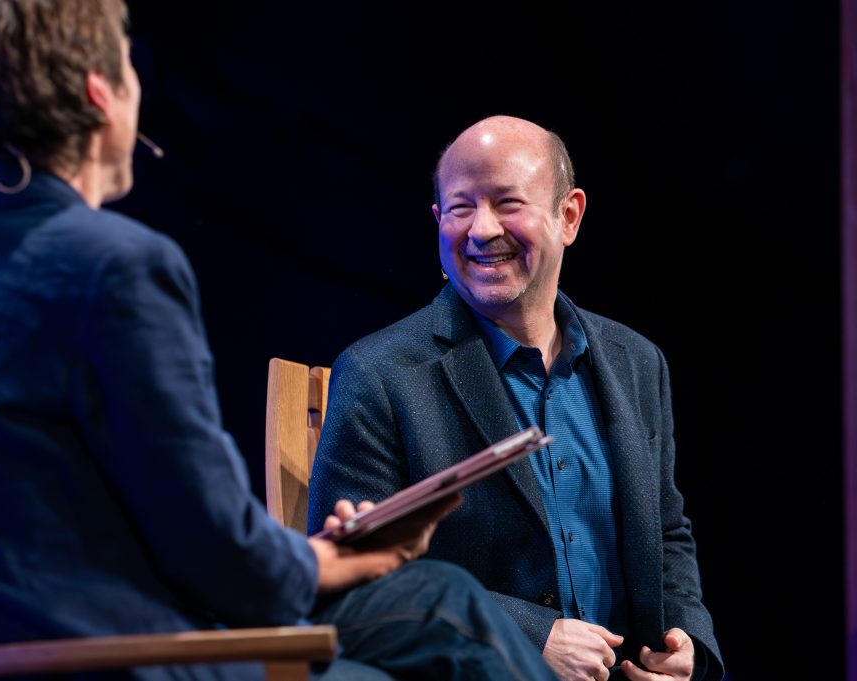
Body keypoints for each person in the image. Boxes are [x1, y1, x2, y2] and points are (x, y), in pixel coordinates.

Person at [0, 3, 558, 680]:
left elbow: (114, 512)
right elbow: (221, 561)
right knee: (423, 629)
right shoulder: (113, 268)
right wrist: (333, 559)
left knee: (438, 597)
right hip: (122, 656)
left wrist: (322, 554)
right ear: (98, 90)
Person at [308, 116, 724, 681]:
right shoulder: (380, 374)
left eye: (507, 202)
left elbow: (667, 532)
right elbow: (352, 582)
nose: (481, 229)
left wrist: (689, 646)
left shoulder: (636, 362)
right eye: (459, 208)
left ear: (569, 216)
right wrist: (528, 638)